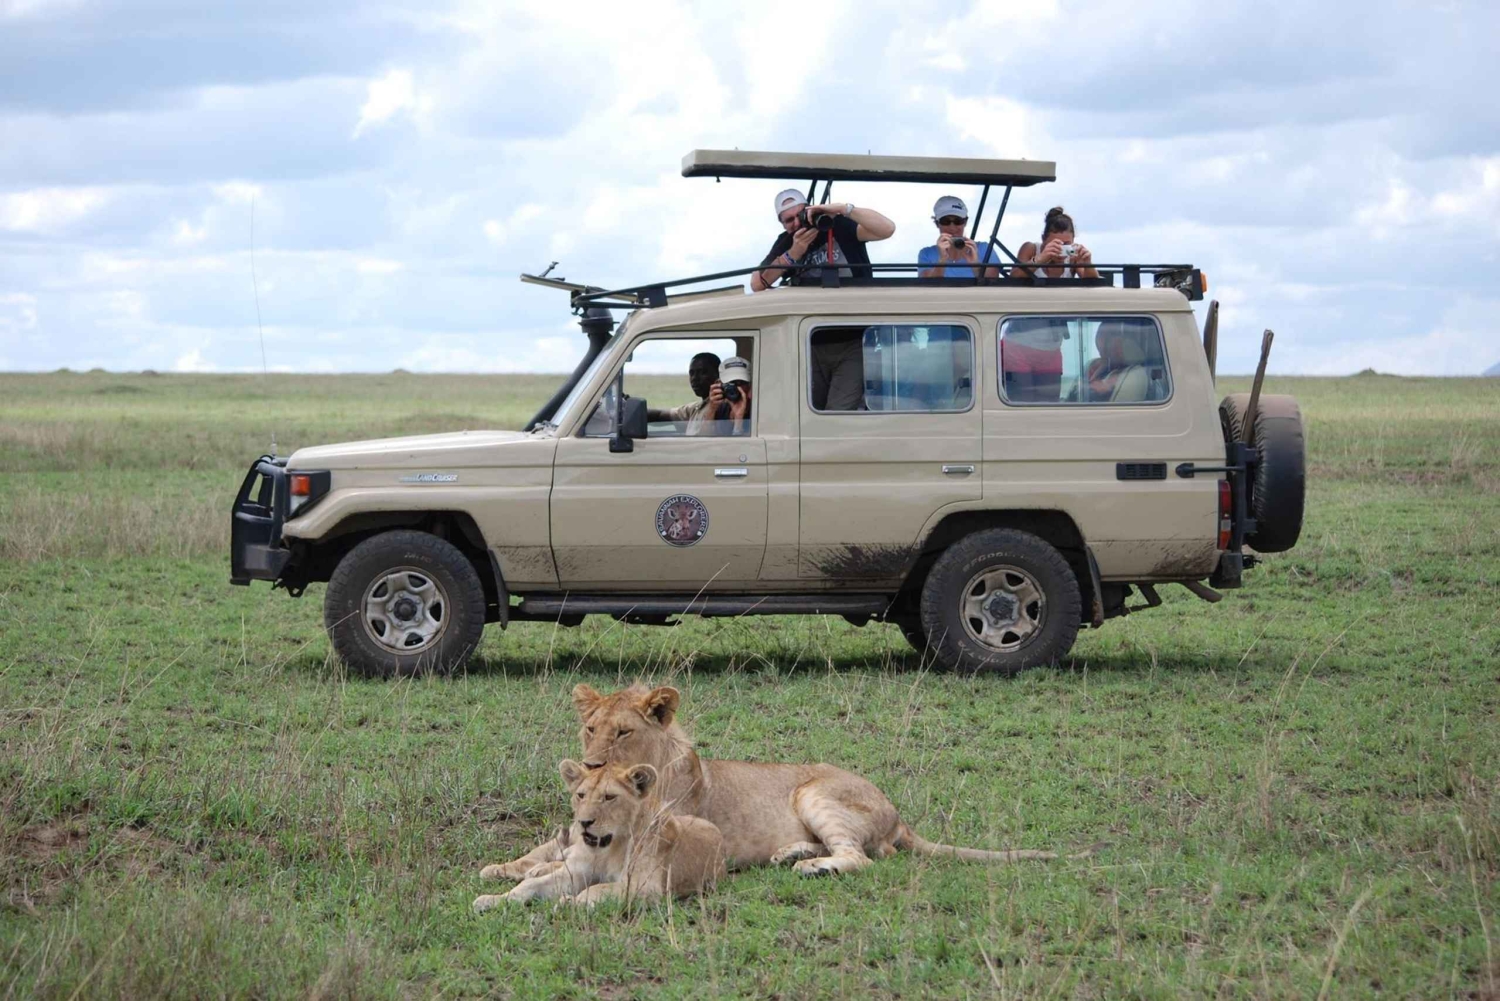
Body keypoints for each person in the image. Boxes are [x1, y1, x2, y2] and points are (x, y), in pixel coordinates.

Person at [750, 189, 895, 292]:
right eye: (789, 220)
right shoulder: (787, 240)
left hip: (853, 302)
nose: (797, 223)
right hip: (812, 314)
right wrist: (792, 254)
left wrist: (843, 208)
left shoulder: (836, 224)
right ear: (782, 224)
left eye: (800, 215)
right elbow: (757, 284)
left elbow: (887, 229)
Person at [916, 195, 999, 279]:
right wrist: (942, 260)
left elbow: (994, 282)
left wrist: (976, 266)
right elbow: (926, 284)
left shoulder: (984, 249)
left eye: (958, 221)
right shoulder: (926, 253)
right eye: (945, 221)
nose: (952, 227)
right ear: (937, 224)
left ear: (965, 222)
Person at [1014, 206, 1099, 280]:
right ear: (1043, 239)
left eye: (1066, 244)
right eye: (1055, 243)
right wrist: (1040, 259)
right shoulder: (1031, 249)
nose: (1060, 248)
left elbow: (1092, 281)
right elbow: (1014, 275)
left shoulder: (1073, 255)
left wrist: (1088, 264)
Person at [647, 352, 720, 435]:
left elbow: (706, 439)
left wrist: (712, 409)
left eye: (702, 372)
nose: (694, 378)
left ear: (718, 376)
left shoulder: (722, 407)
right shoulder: (695, 409)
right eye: (692, 373)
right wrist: (637, 412)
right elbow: (660, 415)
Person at [703, 356, 753, 434]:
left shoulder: (756, 412)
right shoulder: (719, 407)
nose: (736, 388)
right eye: (730, 383)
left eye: (740, 383)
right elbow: (704, 436)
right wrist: (711, 409)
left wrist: (738, 419)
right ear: (719, 384)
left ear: (749, 385)